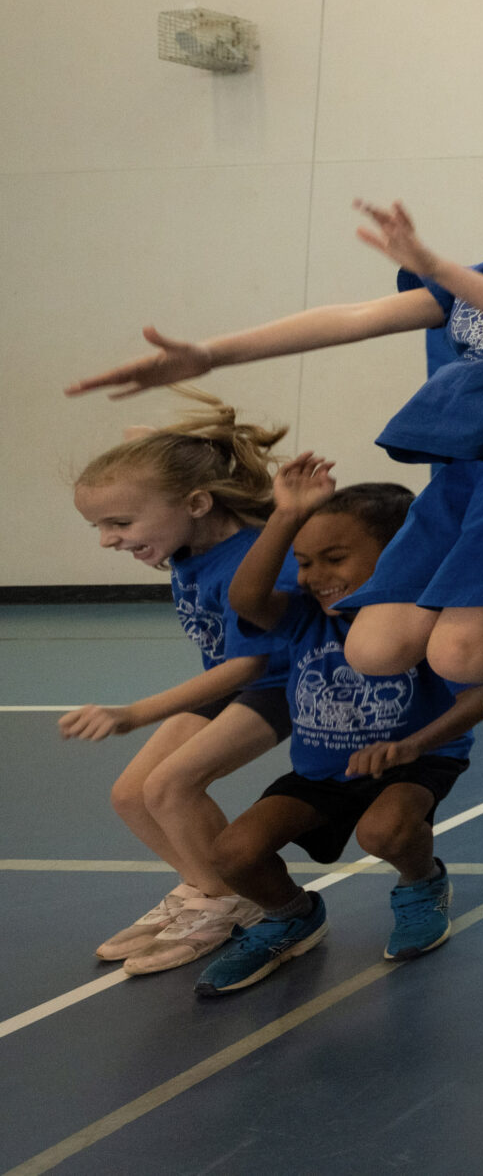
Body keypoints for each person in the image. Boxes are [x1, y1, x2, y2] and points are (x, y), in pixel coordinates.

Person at [68, 129, 483, 685]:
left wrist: (439, 268)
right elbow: (354, 319)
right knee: (374, 649)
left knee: (460, 658)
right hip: (468, 480)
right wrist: (212, 353)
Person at [204, 466, 483, 995]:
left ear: (401, 555)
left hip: (417, 758)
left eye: (335, 560)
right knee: (233, 853)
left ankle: (422, 883)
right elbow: (245, 599)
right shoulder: (305, 617)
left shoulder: (424, 623)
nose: (315, 576)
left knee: (383, 832)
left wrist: (411, 745)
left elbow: (478, 697)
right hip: (322, 771)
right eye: (305, 562)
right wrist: (286, 515)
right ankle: (292, 915)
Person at [63, 395, 297, 974]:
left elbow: (247, 668)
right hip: (235, 677)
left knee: (170, 787)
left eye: (119, 524)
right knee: (130, 794)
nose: (108, 540)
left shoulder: (249, 557)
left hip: (285, 680)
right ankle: (209, 890)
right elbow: (175, 474)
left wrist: (134, 712)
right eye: (99, 526)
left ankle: (225, 901)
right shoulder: (187, 535)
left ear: (196, 503)